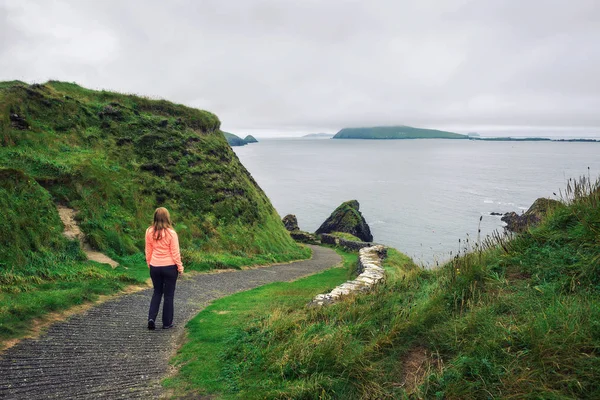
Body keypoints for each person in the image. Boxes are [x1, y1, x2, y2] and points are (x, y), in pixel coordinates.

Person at [145, 207, 184, 330]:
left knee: (157, 292)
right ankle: (167, 323)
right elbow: (175, 253)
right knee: (168, 295)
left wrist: (149, 263)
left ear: (155, 217)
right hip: (170, 267)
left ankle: (151, 318)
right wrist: (180, 267)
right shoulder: (171, 233)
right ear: (167, 217)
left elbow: (148, 250)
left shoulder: (149, 231)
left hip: (155, 266)